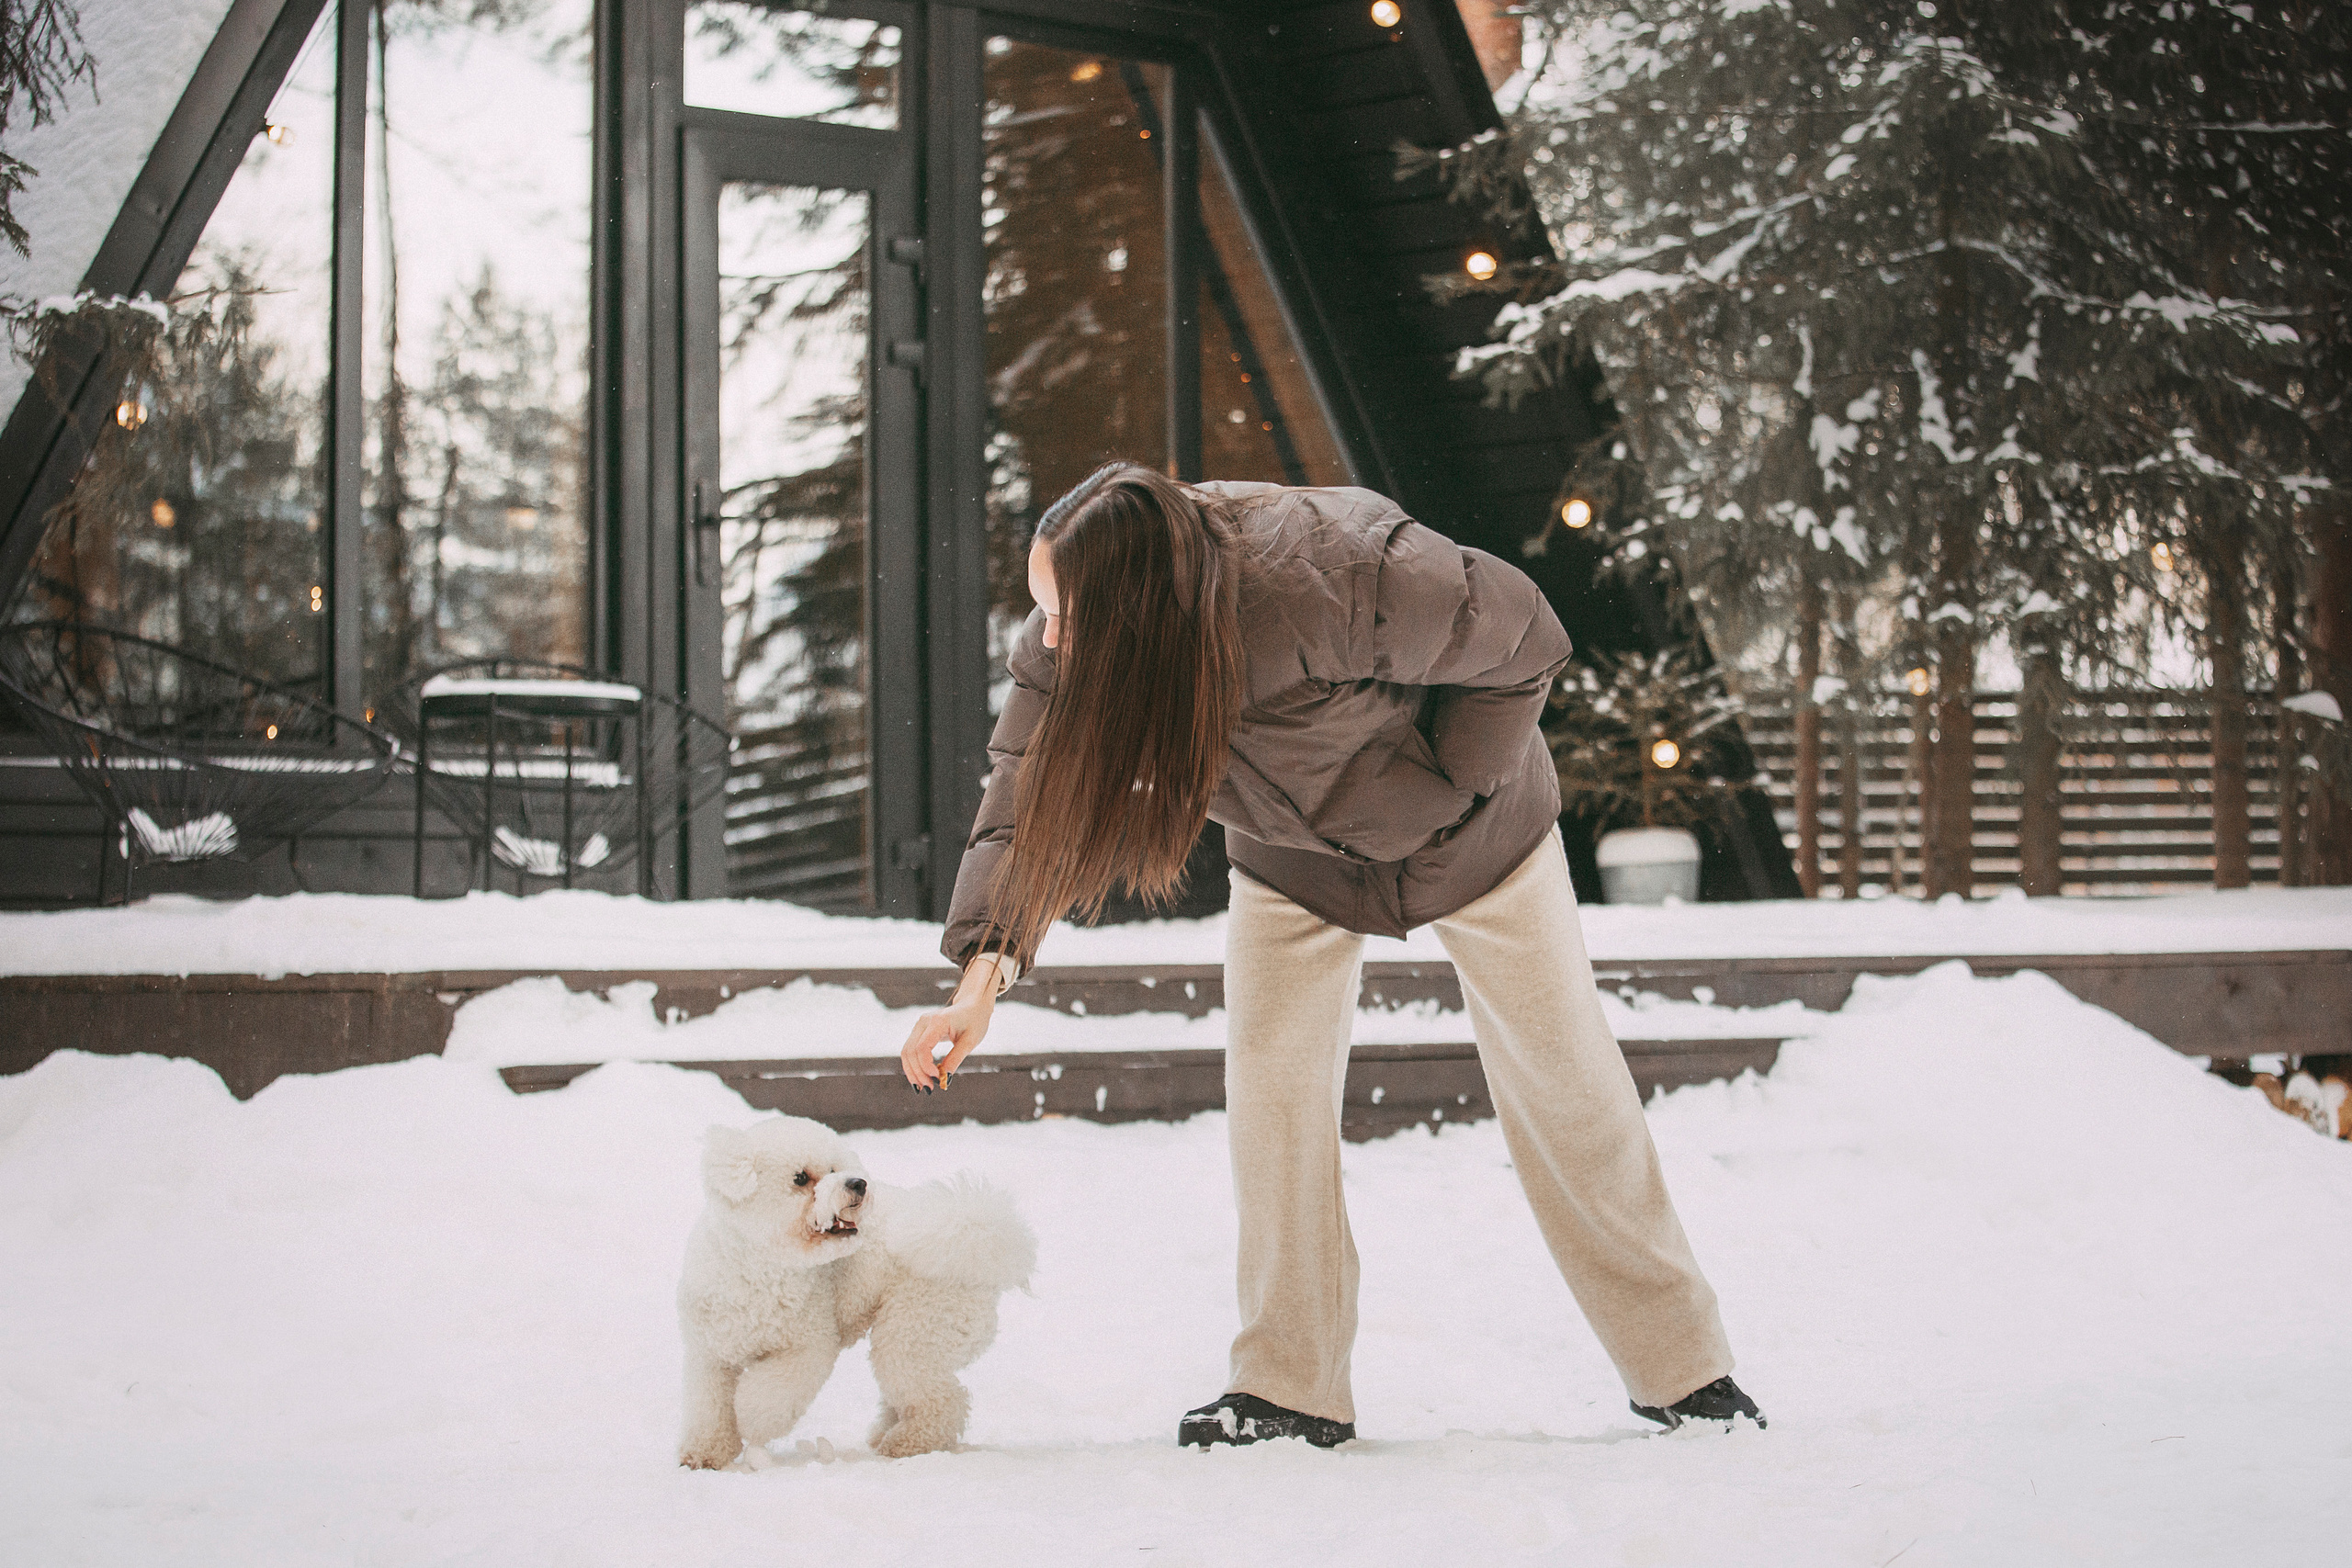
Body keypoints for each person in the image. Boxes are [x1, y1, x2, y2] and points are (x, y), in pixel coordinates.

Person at [898, 463, 1762, 1445]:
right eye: (1041, 608)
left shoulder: (1330, 568)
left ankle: (1685, 1373)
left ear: (1144, 602)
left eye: (1067, 614)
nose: (1050, 637)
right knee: (1271, 1100)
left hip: (1479, 839)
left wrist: (1445, 787)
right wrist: (982, 980)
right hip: (1293, 860)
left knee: (1566, 1082)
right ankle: (1287, 1387)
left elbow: (1524, 633)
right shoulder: (1072, 641)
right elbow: (1023, 801)